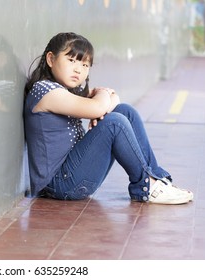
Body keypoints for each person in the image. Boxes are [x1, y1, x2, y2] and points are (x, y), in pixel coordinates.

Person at [23, 32, 193, 204]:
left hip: (72, 176)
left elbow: (114, 101)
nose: (78, 69)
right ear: (51, 59)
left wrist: (100, 108)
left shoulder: (64, 91)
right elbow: (99, 106)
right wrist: (102, 95)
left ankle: (156, 179)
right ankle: (146, 186)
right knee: (114, 124)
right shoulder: (45, 91)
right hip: (59, 183)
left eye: (85, 64)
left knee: (124, 111)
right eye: (71, 60)